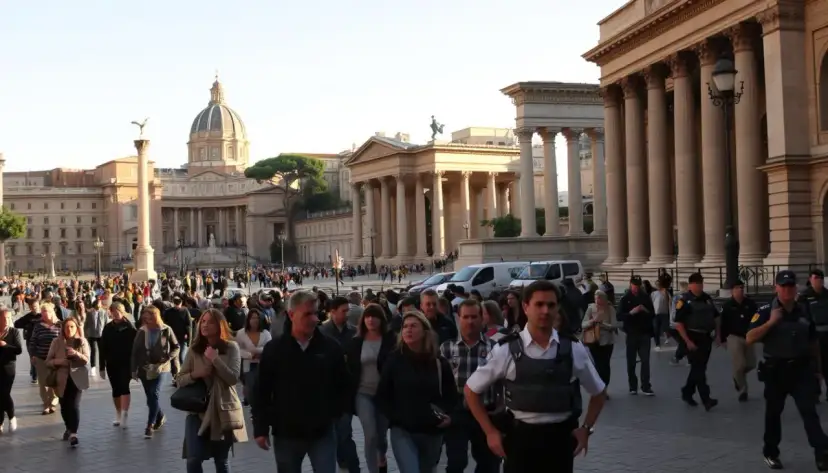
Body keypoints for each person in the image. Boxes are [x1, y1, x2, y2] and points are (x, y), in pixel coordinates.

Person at [464, 280, 606, 473]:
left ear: (558, 308)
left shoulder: (573, 348)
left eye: (551, 305)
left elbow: (598, 392)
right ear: (525, 307)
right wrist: (490, 432)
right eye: (539, 304)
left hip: (560, 440)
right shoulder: (506, 349)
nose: (545, 311)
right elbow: (471, 390)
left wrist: (586, 429)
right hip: (520, 439)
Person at [252, 290, 350, 473]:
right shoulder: (275, 349)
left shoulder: (330, 347)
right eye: (307, 314)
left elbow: (343, 384)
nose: (314, 319)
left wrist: (334, 413)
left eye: (316, 313)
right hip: (287, 432)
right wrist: (260, 428)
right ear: (291, 315)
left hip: (322, 431)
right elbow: (262, 391)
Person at [747, 270, 828, 471]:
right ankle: (771, 452)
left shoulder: (803, 309)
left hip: (801, 370)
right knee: (774, 414)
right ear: (776, 288)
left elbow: (813, 341)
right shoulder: (766, 309)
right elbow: (750, 337)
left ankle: (822, 453)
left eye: (790, 286)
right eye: (783, 286)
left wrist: (818, 370)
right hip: (776, 371)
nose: (787, 290)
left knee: (809, 412)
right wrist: (771, 322)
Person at [376, 310, 458, 473]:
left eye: (413, 326)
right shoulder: (394, 360)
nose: (408, 330)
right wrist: (395, 417)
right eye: (405, 326)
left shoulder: (439, 362)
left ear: (425, 331)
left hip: (433, 430)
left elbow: (451, 395)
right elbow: (382, 395)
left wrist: (449, 417)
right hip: (403, 430)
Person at [177, 309, 247, 473]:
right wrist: (196, 374)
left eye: (210, 322)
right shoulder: (194, 349)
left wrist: (215, 359)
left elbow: (233, 378)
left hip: (222, 409)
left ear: (220, 325)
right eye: (203, 321)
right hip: (197, 410)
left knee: (221, 460)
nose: (205, 325)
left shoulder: (231, 348)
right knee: (193, 459)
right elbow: (180, 379)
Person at [440, 300, 501, 473]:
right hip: (457, 410)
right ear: (459, 318)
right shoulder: (446, 348)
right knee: (456, 462)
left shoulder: (494, 348)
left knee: (489, 463)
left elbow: (502, 382)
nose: (470, 321)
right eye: (465, 317)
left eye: (474, 317)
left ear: (482, 319)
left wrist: (501, 406)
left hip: (486, 410)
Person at [344, 303, 396, 473]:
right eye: (367, 316)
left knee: (381, 436)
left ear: (381, 319)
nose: (371, 320)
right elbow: (350, 368)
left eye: (374, 316)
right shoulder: (356, 342)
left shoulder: (391, 340)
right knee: (370, 434)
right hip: (363, 393)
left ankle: (382, 458)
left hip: (384, 395)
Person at [318, 296, 360, 473]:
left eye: (347, 310)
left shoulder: (354, 332)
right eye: (343, 311)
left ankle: (351, 466)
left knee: (345, 433)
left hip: (346, 391)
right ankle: (340, 461)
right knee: (331, 434)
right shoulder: (321, 332)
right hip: (326, 391)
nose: (347, 314)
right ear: (332, 312)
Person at [131, 305, 180, 439]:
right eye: (145, 318)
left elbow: (176, 347)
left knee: (154, 393)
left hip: (161, 368)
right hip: (144, 369)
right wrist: (133, 370)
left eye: (149, 318)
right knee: (150, 398)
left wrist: (168, 358)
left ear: (155, 317)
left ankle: (149, 425)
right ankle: (160, 416)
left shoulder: (166, 330)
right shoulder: (141, 331)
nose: (146, 320)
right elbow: (134, 352)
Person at [674, 272, 721, 411]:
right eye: (697, 283)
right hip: (692, 337)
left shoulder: (707, 298)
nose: (700, 286)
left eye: (701, 283)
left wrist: (718, 334)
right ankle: (706, 399)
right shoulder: (684, 301)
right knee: (699, 369)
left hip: (706, 338)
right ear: (690, 285)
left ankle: (687, 392)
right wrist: (687, 341)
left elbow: (716, 316)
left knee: (699, 368)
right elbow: (679, 323)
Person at [46, 317, 91, 447]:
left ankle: (74, 434)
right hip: (61, 379)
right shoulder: (56, 342)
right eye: (67, 327)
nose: (69, 329)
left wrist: (76, 354)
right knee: (64, 406)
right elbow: (48, 361)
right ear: (62, 329)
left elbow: (87, 360)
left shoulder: (82, 341)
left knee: (74, 405)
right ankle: (68, 427)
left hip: (77, 378)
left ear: (76, 328)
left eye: (72, 327)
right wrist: (60, 362)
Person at [99, 302, 138, 428]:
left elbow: (136, 348)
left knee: (124, 387)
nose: (116, 314)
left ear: (122, 312)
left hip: (126, 363)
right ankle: (118, 412)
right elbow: (102, 348)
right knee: (115, 390)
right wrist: (101, 367)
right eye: (113, 312)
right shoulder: (107, 328)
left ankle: (125, 415)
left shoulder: (130, 328)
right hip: (111, 363)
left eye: (118, 311)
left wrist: (135, 365)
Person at [720, 279, 758, 402]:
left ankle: (737, 377)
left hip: (748, 336)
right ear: (732, 291)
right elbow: (723, 323)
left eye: (742, 287)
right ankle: (743, 389)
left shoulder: (750, 304)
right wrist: (722, 339)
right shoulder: (727, 306)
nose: (740, 290)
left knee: (751, 364)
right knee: (740, 364)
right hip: (733, 337)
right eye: (737, 288)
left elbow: (757, 319)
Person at [617, 276, 655, 396]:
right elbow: (619, 316)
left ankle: (646, 386)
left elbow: (653, 314)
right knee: (631, 361)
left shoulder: (645, 297)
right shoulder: (625, 299)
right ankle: (633, 386)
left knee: (645, 361)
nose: (636, 288)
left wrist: (645, 310)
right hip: (632, 333)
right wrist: (631, 313)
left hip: (644, 333)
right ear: (630, 285)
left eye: (638, 286)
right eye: (634, 286)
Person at [798, 268, 828, 400]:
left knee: (827, 363)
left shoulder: (827, 294)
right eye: (816, 279)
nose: (818, 281)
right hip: (812, 334)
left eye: (820, 279)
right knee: (814, 364)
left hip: (826, 333)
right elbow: (801, 315)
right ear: (810, 280)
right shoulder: (804, 296)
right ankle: (815, 391)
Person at [581, 290, 619, 391]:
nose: (597, 301)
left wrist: (602, 324)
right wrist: (593, 321)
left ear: (604, 299)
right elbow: (583, 324)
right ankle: (599, 388)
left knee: (605, 365)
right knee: (598, 364)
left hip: (607, 341)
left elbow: (614, 325)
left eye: (599, 298)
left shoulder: (610, 309)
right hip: (593, 340)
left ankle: (605, 386)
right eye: (595, 298)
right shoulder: (591, 308)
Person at [234, 308, 271, 406]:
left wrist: (258, 351)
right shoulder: (241, 333)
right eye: (253, 318)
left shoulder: (266, 333)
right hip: (247, 365)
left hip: (262, 364)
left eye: (257, 318)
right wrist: (249, 355)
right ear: (248, 320)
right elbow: (237, 349)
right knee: (250, 389)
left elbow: (270, 348)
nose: (255, 320)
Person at [29, 303, 61, 414]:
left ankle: (53, 402)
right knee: (43, 383)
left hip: (55, 359)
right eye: (42, 312)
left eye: (45, 311)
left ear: (51, 312)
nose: (43, 314)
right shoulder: (38, 326)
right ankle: (46, 404)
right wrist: (32, 354)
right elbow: (33, 341)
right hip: (41, 358)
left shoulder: (59, 325)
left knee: (54, 381)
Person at [0, 308, 23, 434]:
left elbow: (19, 350)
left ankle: (11, 416)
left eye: (9, 318)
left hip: (8, 367)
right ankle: (0, 422)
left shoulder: (13, 332)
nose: (7, 320)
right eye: (4, 318)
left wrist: (5, 346)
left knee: (4, 393)